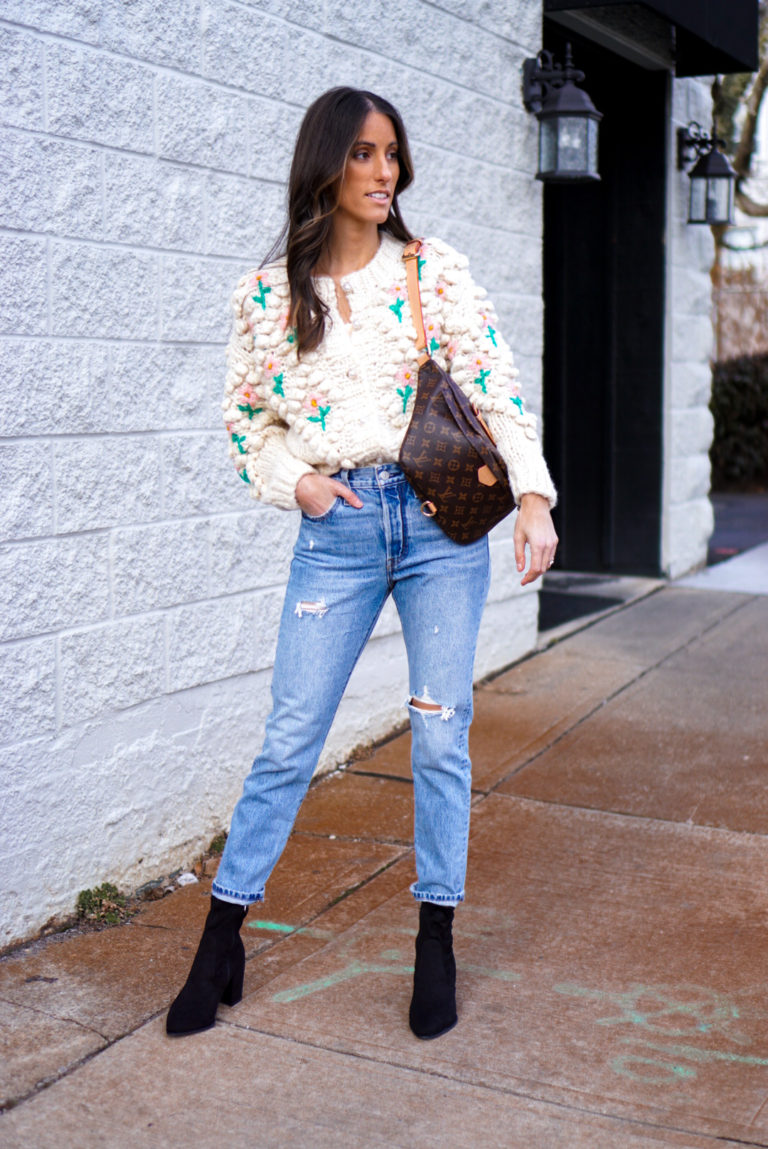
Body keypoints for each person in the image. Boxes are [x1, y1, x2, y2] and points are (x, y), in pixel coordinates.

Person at [166, 87, 558, 1041]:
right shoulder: (268, 295)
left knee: (438, 731)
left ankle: (436, 937)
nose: (386, 173)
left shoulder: (435, 272)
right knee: (292, 737)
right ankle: (222, 938)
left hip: (439, 526)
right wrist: (295, 481)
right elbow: (246, 424)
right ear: (327, 165)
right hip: (337, 529)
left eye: (394, 156)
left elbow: (496, 385)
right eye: (366, 156)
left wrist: (535, 495)